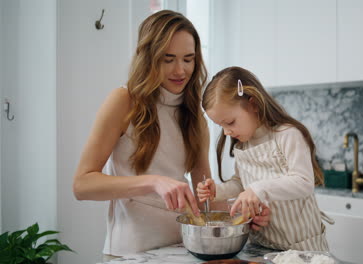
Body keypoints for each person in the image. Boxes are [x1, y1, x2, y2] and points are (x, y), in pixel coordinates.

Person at [73, 10, 269, 259]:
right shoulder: (123, 101)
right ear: (149, 57)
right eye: (168, 59)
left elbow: (205, 198)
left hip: (181, 249)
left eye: (188, 59)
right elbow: (82, 185)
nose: (180, 70)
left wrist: (243, 215)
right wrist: (153, 181)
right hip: (130, 251)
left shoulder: (195, 114)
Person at [197, 66, 334, 251]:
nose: (226, 131)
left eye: (229, 122)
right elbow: (241, 184)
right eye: (220, 126)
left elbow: (303, 181)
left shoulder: (288, 135)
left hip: (303, 246)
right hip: (263, 245)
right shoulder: (243, 146)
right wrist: (218, 191)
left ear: (253, 104)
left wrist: (258, 190)